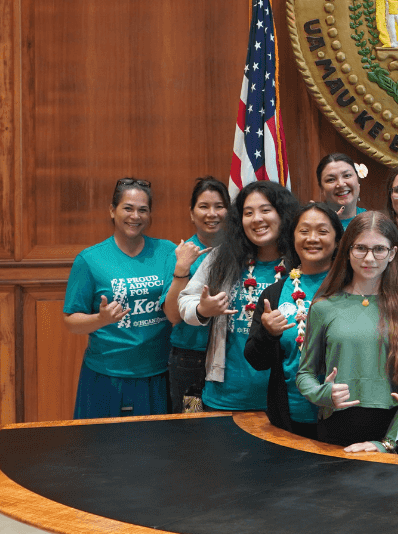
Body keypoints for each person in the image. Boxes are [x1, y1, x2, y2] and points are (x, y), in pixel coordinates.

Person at [296, 211, 398, 447]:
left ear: (392, 253)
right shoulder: (323, 307)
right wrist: (324, 394)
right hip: (335, 428)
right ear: (347, 250)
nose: (369, 258)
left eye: (379, 249)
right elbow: (305, 375)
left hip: (391, 431)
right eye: (360, 248)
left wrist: (386, 444)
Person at [177, 180, 300, 412]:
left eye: (266, 210)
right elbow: (185, 302)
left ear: (283, 214)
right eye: (248, 213)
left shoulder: (302, 261)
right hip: (227, 396)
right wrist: (203, 310)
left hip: (286, 396)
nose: (257, 219)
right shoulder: (222, 257)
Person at [63, 178, 175, 419]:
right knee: (101, 452)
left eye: (143, 210)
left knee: (156, 453)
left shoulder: (167, 252)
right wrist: (100, 319)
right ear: (112, 210)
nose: (135, 216)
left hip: (157, 374)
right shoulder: (89, 260)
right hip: (106, 377)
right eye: (128, 208)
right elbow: (71, 321)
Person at [243, 202, 342, 438]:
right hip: (290, 417)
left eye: (323, 231)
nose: (312, 238)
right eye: (304, 231)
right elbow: (256, 360)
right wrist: (268, 333)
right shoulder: (274, 294)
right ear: (293, 238)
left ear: (338, 240)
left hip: (343, 414)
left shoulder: (351, 287)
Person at [162, 176, 229, 412]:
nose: (212, 213)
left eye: (219, 206)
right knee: (192, 431)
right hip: (191, 359)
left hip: (230, 357)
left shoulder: (240, 252)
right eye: (204, 206)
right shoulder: (179, 253)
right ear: (191, 214)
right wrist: (182, 269)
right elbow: (173, 316)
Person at [316, 153, 366, 223]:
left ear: (358, 180)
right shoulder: (314, 223)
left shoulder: (372, 221)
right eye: (331, 179)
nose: (341, 184)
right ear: (321, 188)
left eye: (347, 175)